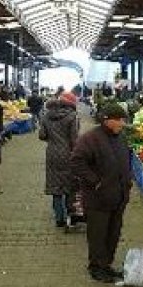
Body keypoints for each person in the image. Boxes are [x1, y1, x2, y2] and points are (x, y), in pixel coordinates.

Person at [70, 103, 132, 283]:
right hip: (98, 199)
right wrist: (96, 182)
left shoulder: (120, 137)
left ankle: (107, 265)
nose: (122, 123)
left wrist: (128, 181)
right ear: (107, 120)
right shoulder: (90, 139)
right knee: (98, 235)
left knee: (113, 234)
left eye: (123, 119)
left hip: (118, 196)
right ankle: (96, 268)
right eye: (119, 120)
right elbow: (76, 162)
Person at [39, 93, 80, 227]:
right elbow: (74, 139)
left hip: (52, 154)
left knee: (55, 186)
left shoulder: (46, 116)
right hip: (68, 153)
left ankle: (59, 218)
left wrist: (52, 138)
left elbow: (42, 135)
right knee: (69, 185)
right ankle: (70, 214)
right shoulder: (72, 117)